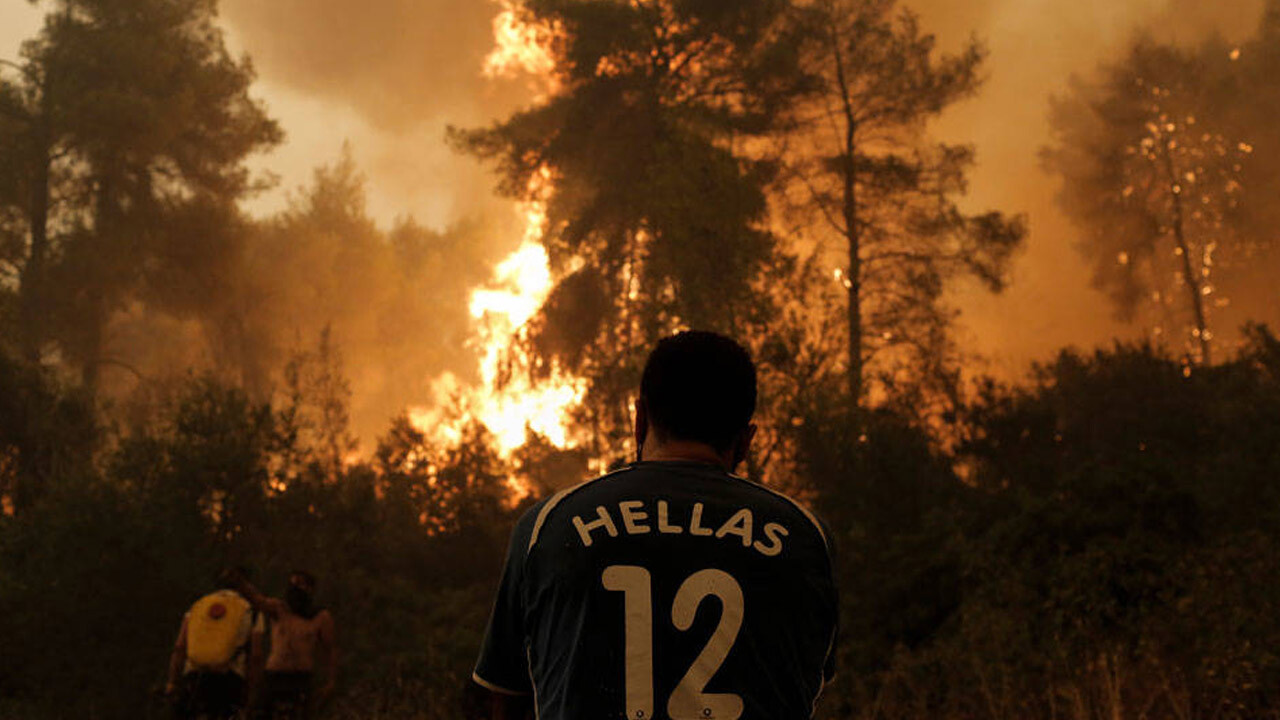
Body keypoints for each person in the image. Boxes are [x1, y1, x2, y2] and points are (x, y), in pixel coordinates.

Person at [472, 330, 839, 720]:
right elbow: (809, 680)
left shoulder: (548, 526)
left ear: (640, 420)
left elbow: (503, 697)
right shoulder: (804, 538)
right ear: (746, 441)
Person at [167, 567, 265, 719]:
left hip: (194, 678)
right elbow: (256, 657)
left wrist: (172, 682)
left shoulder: (198, 606)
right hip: (230, 683)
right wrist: (252, 697)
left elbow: (179, 647)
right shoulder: (251, 611)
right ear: (245, 586)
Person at [238, 571, 337, 719]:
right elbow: (258, 600)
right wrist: (241, 583)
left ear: (310, 589)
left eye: (299, 584)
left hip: (301, 678)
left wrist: (331, 681)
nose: (294, 589)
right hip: (275, 675)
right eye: (292, 584)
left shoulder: (321, 617)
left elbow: (330, 650)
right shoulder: (279, 609)